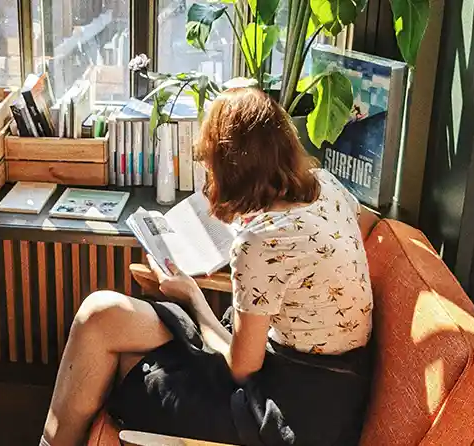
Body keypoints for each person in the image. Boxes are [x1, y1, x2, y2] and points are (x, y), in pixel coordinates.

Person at [41, 87, 378, 446]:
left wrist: (193, 297)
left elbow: (242, 367)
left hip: (286, 405)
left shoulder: (261, 242)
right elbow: (368, 227)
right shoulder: (327, 185)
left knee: (123, 360)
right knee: (100, 314)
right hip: (297, 368)